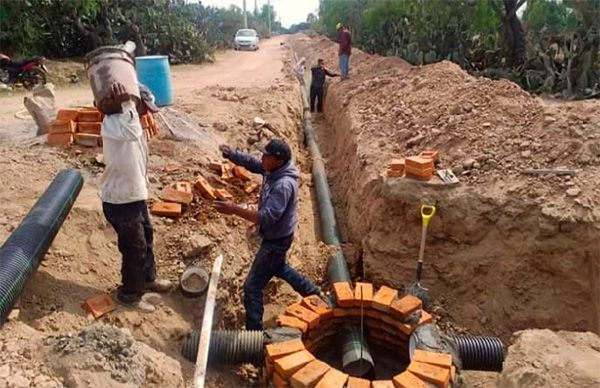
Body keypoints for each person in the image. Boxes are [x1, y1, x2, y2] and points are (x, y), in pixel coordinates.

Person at [214, 139, 323, 330]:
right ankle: (313, 293)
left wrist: (234, 210)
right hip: (280, 236)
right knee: (279, 268)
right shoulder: (272, 169)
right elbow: (253, 163)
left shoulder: (283, 185)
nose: (262, 158)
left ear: (278, 161)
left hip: (276, 241)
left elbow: (267, 218)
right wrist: (232, 154)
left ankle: (253, 338)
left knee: (252, 287)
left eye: (266, 156)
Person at [99, 82, 172, 313]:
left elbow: (139, 161)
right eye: (145, 106)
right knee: (134, 247)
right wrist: (127, 102)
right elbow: (129, 131)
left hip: (135, 195)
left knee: (146, 238)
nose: (148, 112)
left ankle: (148, 278)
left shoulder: (134, 123)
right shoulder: (113, 123)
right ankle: (130, 294)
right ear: (133, 103)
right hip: (120, 200)